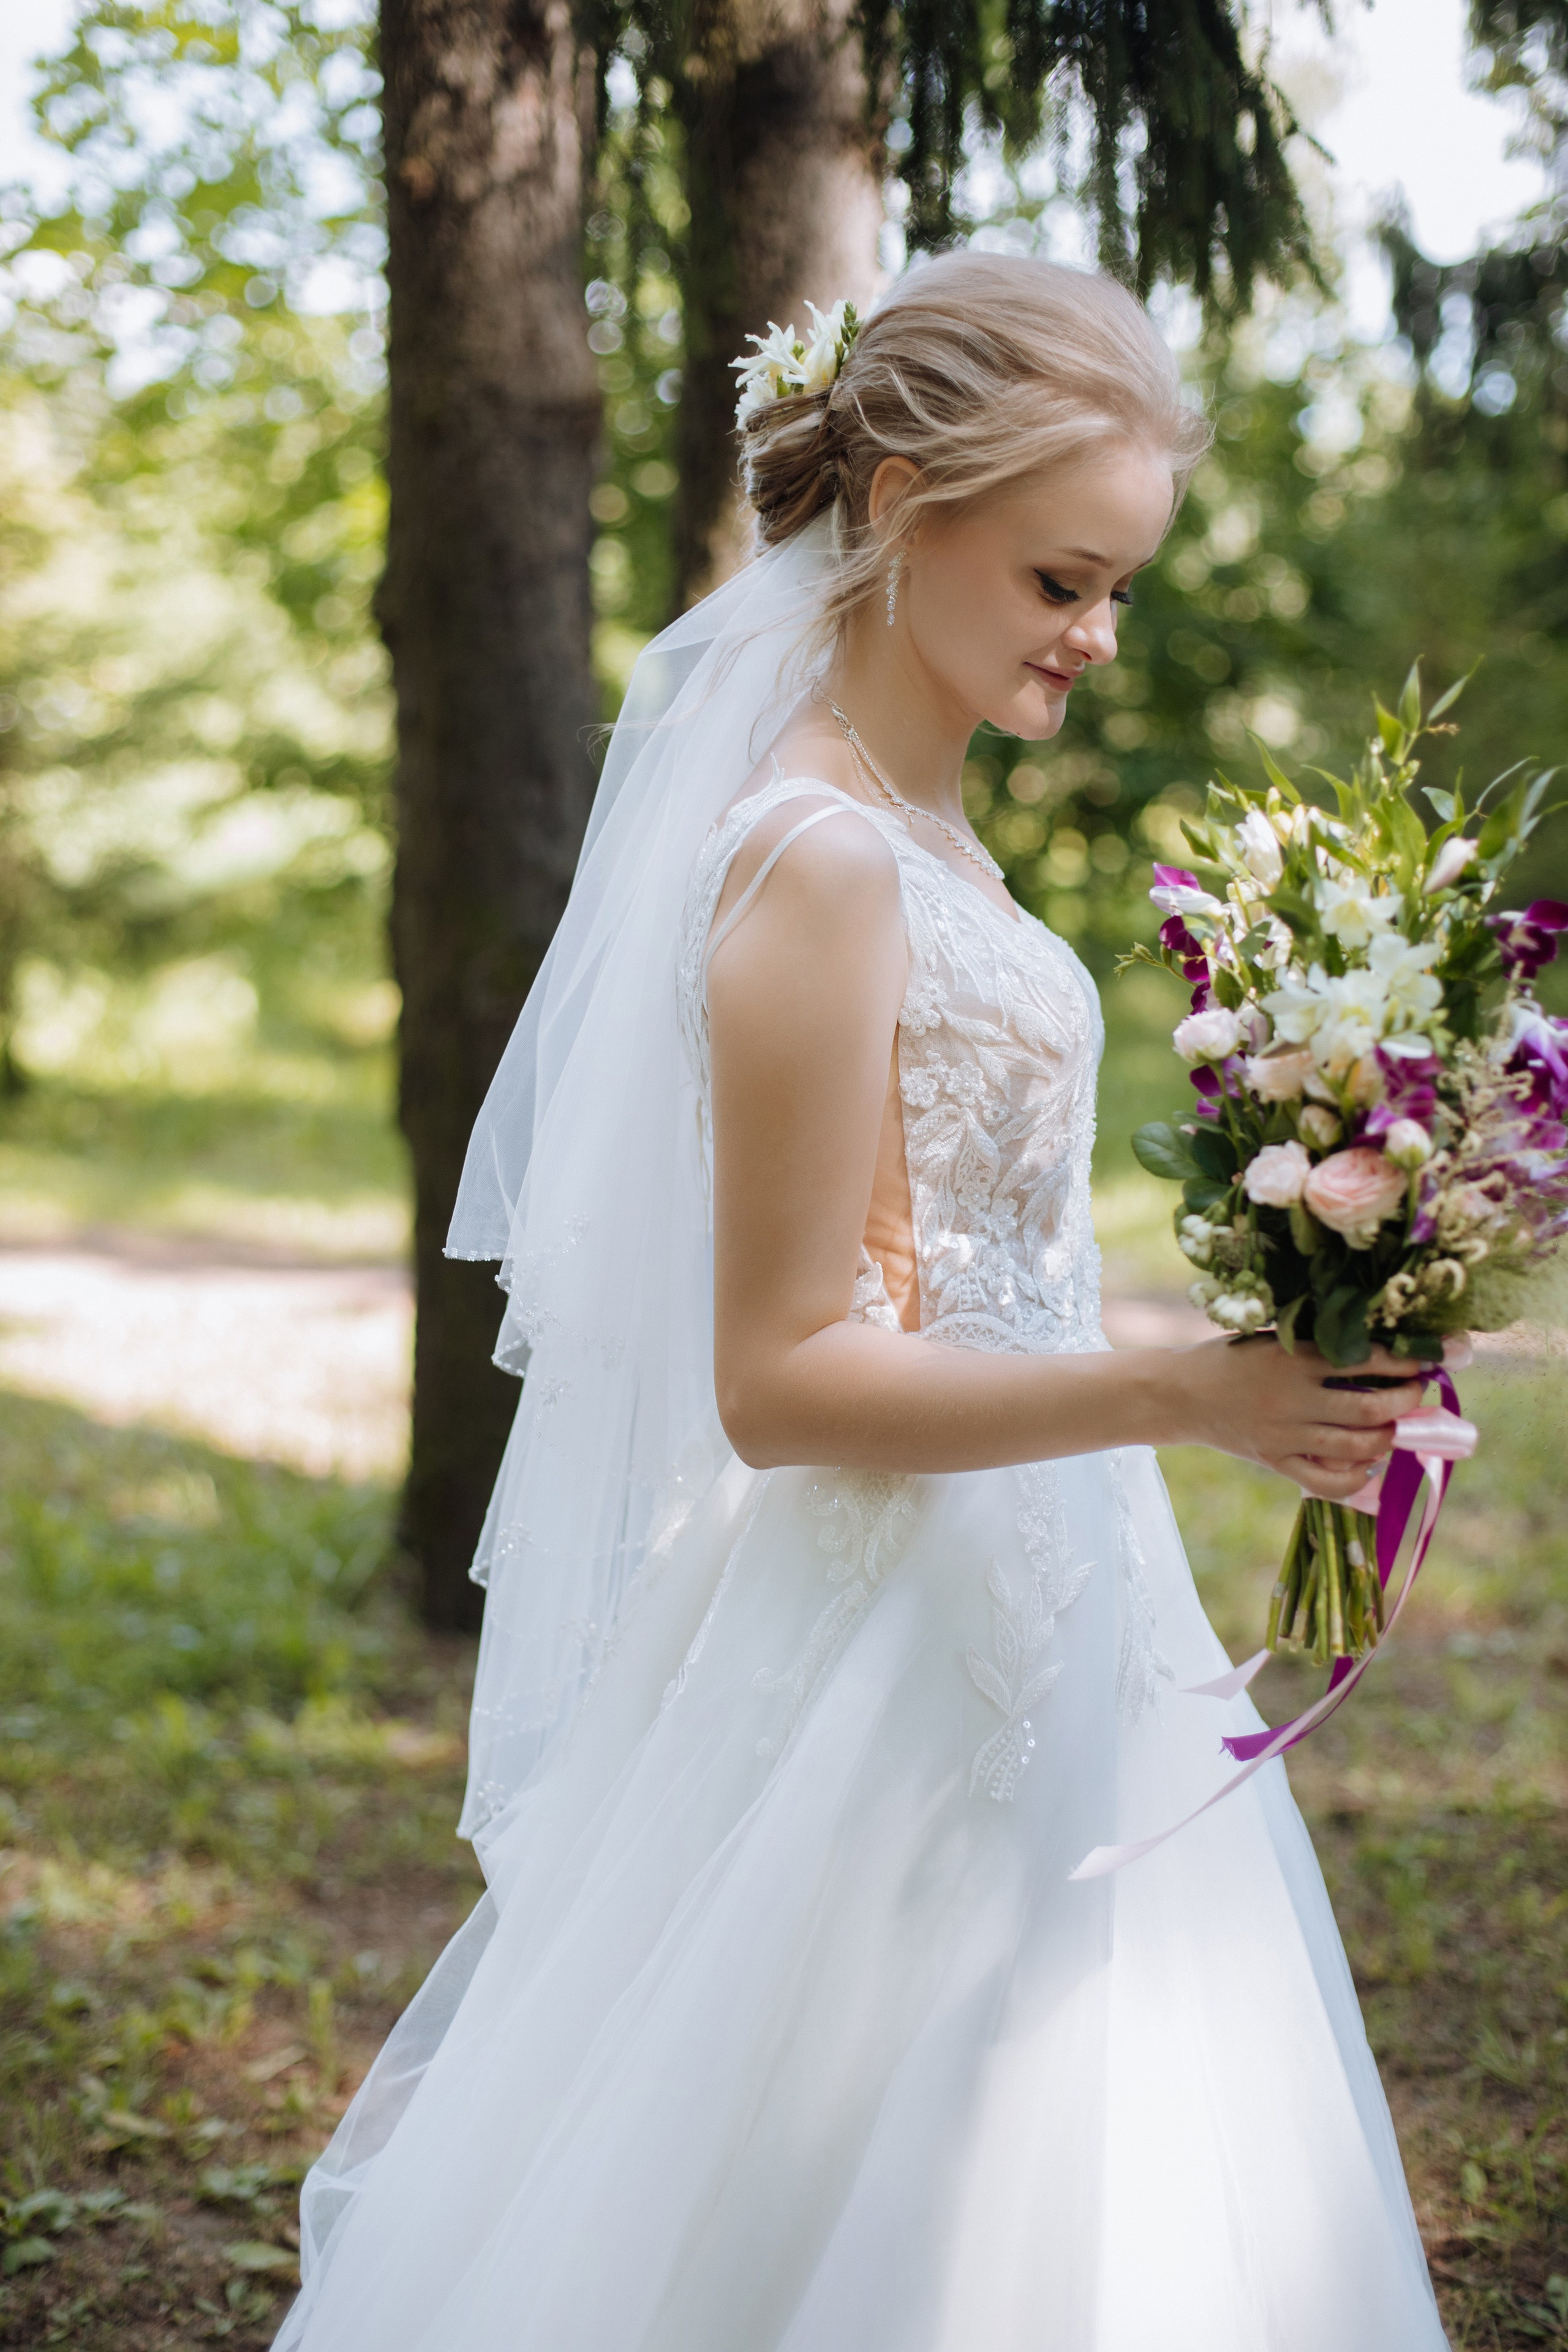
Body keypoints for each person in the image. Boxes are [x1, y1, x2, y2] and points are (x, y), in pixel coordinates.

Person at [274, 252, 1450, 2350]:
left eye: (1115, 590)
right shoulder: (811, 855)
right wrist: (1189, 1393)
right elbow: (785, 1380)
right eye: (1060, 580)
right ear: (902, 507)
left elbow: (940, 1269)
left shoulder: (930, 825)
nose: (1095, 637)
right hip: (901, 1618)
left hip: (1058, 1568)